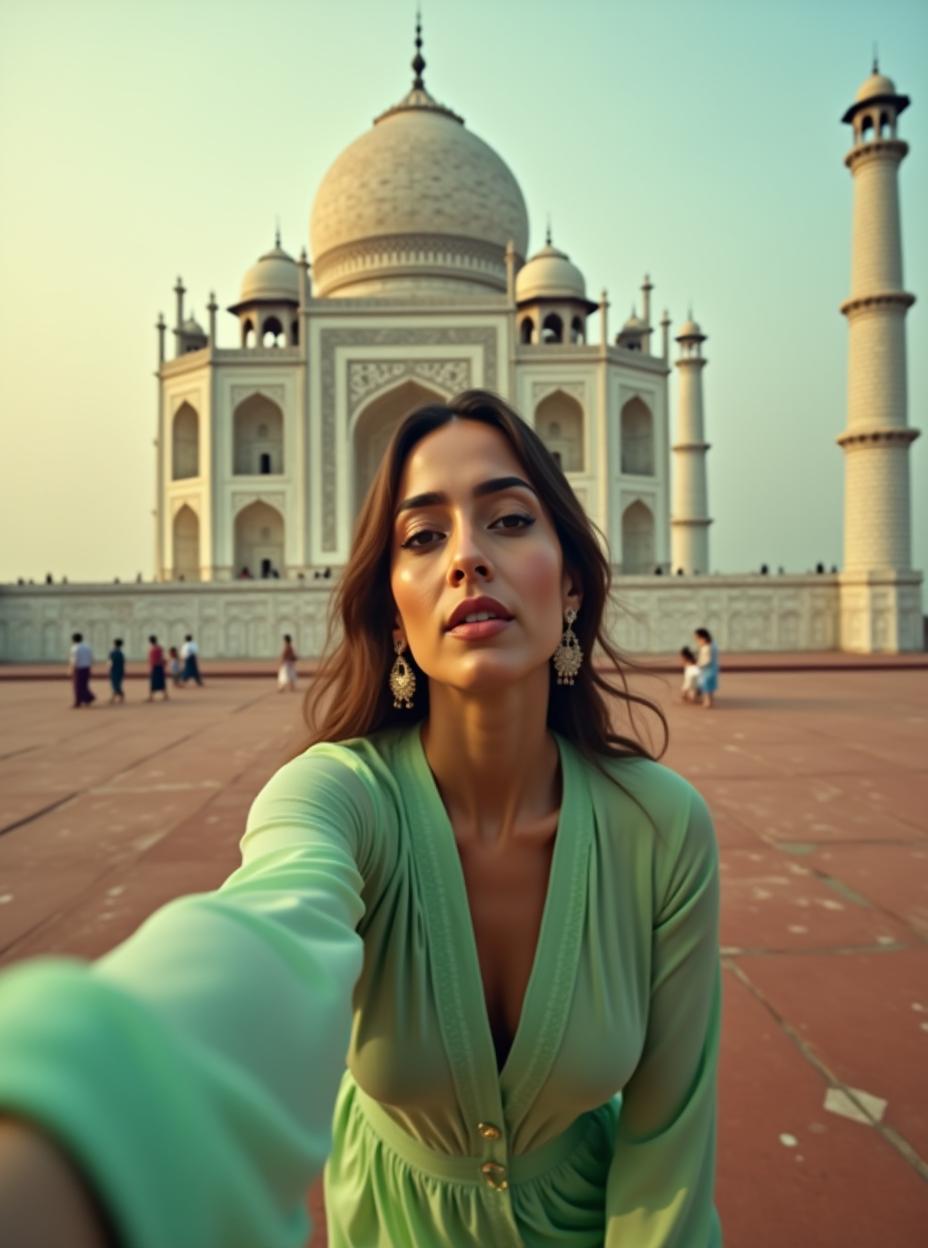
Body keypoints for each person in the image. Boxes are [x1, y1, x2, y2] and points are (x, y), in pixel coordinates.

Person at [0, 390, 722, 1248]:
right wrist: (80, 1112)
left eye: (509, 520)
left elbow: (669, 1151)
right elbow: (264, 934)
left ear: (569, 583)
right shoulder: (338, 801)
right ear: (391, 609)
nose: (467, 559)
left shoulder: (660, 828)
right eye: (424, 536)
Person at [694, 626, 720, 709]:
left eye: (697, 638)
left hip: (707, 669)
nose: (697, 641)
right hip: (712, 668)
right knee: (710, 687)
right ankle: (710, 701)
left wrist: (699, 664)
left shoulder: (706, 647)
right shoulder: (713, 645)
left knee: (706, 687)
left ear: (703, 638)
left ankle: (707, 702)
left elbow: (706, 660)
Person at [67, 632, 95, 709]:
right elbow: (92, 658)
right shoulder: (87, 647)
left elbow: (74, 660)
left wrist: (71, 669)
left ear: (73, 640)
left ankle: (78, 702)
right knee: (84, 685)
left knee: (77, 686)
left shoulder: (74, 648)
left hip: (78, 669)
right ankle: (88, 698)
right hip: (86, 668)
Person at [145, 634, 168, 703]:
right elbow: (162, 657)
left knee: (153, 682)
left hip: (155, 667)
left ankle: (151, 697)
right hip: (159, 666)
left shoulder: (153, 649)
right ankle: (165, 695)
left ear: (150, 641)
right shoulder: (159, 648)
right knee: (161, 681)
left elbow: (153, 659)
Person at [108, 639, 126, 705]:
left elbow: (110, 662)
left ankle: (120, 695)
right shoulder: (121, 653)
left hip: (114, 670)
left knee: (115, 684)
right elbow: (123, 662)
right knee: (117, 684)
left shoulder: (112, 652)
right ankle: (115, 697)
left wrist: (109, 669)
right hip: (120, 670)